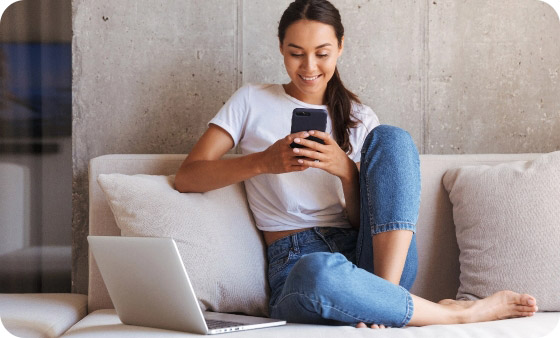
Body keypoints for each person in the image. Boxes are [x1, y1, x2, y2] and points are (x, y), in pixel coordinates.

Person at [175, 0, 538, 329]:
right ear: (281, 48)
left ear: (341, 47)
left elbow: (370, 222)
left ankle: (381, 299)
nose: (309, 66)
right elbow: (188, 177)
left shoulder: (361, 118)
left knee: (394, 138)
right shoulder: (251, 100)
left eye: (322, 53)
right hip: (298, 266)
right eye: (296, 53)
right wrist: (263, 162)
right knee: (318, 271)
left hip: (378, 264)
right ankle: (451, 312)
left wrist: (346, 171)